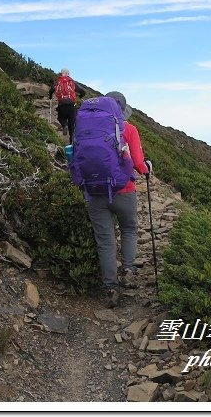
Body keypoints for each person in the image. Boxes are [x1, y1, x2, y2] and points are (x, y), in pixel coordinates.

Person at [86, 91, 151, 308]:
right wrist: (147, 168)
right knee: (129, 229)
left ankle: (111, 288)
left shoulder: (86, 129)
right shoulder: (129, 129)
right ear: (122, 110)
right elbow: (138, 163)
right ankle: (128, 269)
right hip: (124, 190)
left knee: (105, 242)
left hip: (95, 192)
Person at [48, 68, 85, 144]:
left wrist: (50, 96)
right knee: (72, 125)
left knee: (60, 117)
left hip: (62, 105)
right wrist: (79, 97)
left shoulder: (57, 82)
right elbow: (83, 92)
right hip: (72, 105)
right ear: (68, 74)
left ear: (61, 73)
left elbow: (51, 90)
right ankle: (71, 143)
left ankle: (64, 125)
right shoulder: (72, 82)